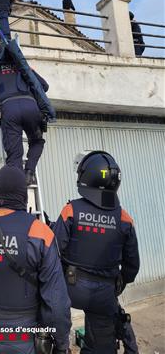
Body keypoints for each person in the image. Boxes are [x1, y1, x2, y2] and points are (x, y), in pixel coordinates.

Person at [0, 165, 72, 354]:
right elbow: (56, 302)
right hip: (23, 339)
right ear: (24, 196)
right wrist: (61, 344)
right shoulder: (40, 233)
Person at [52, 151, 140, 354]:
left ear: (86, 176)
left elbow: (54, 251)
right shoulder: (125, 218)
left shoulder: (71, 210)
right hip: (105, 293)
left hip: (70, 288)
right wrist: (117, 283)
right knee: (101, 346)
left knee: (53, 330)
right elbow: (132, 266)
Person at [0, 46, 49, 185]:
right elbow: (44, 86)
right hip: (31, 108)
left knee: (14, 154)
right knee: (36, 141)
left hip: (9, 111)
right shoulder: (25, 68)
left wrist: (0, 94)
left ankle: (18, 184)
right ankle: (29, 172)